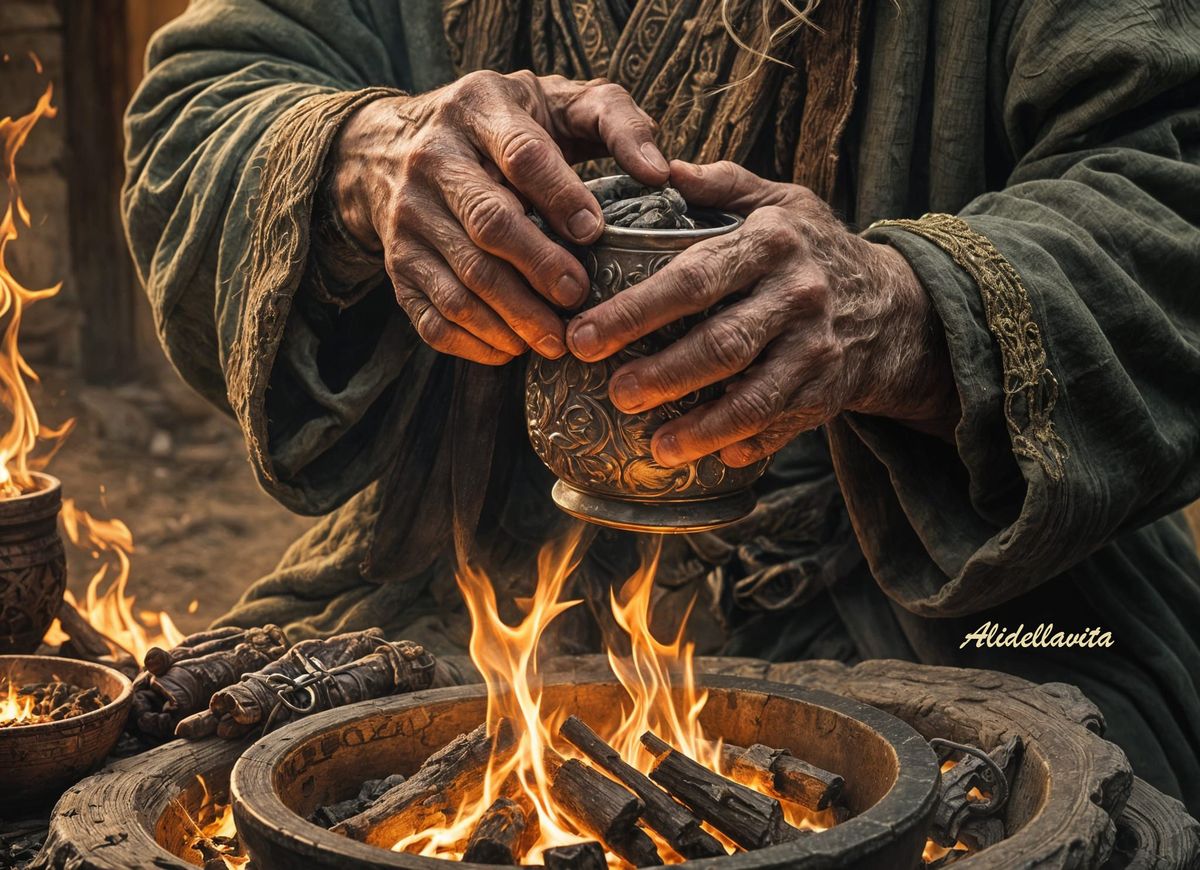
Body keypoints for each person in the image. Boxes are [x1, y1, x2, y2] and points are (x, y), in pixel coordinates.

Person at [123, 0, 1200, 812]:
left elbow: (1167, 173)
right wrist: (368, 154)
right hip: (464, 598)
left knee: (1059, 811)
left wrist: (909, 308)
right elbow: (199, 101)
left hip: (970, 628)